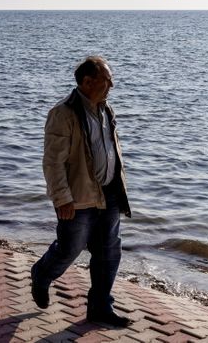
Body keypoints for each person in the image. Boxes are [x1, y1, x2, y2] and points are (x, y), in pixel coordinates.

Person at [30, 56, 132, 327]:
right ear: (87, 82)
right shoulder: (63, 113)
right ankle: (41, 274)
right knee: (69, 249)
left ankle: (100, 307)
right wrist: (62, 197)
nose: (111, 85)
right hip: (77, 197)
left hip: (108, 193)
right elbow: (53, 162)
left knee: (109, 251)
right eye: (106, 80)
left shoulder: (106, 109)